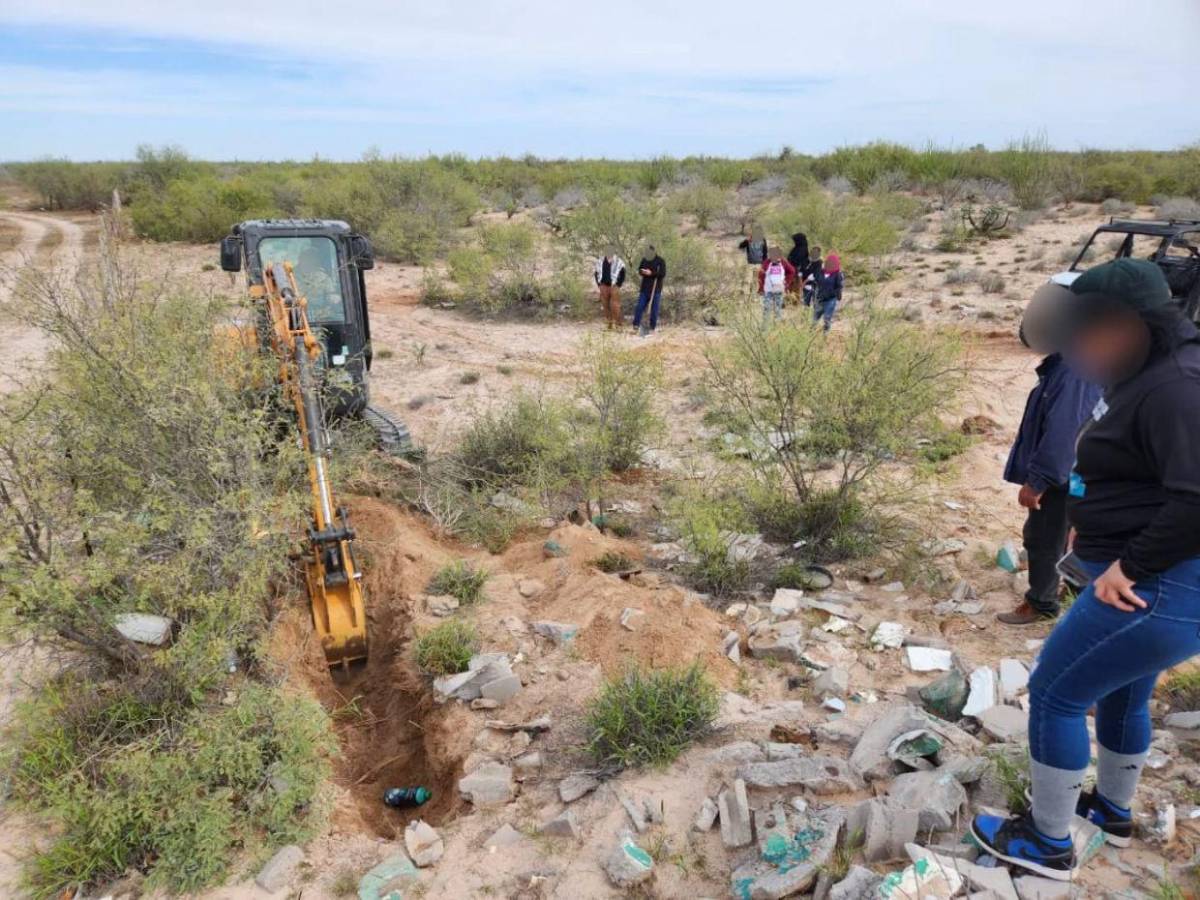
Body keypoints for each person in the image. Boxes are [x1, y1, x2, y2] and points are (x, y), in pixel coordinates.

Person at [971, 259, 1200, 882]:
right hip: (1161, 590)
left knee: (1055, 694)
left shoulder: (1177, 385)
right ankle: (1113, 811)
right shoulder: (1153, 372)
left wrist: (1128, 563)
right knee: (1126, 692)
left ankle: (1047, 842)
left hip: (1156, 588)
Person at [998, 351, 1101, 625]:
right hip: (1081, 471)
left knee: (1044, 537)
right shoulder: (1083, 363)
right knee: (1071, 533)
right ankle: (1077, 590)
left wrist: (1037, 482)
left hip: (1064, 475)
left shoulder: (1073, 369)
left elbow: (1063, 434)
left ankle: (1042, 603)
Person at [294, 245, 343, 322]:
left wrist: (335, 298)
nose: (310, 261)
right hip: (294, 314)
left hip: (318, 316)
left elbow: (330, 294)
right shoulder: (289, 276)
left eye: (313, 258)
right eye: (307, 257)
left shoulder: (323, 277)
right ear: (300, 259)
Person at [632, 245, 667, 337]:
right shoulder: (644, 260)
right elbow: (639, 270)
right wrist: (642, 271)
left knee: (654, 310)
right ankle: (636, 325)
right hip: (644, 288)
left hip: (656, 289)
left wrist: (652, 273)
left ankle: (652, 327)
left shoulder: (660, 261)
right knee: (639, 306)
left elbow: (662, 274)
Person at [757, 250, 795, 324]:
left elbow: (792, 271)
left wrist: (786, 283)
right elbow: (761, 275)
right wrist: (761, 288)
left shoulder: (783, 262)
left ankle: (776, 327)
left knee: (777, 308)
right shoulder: (767, 262)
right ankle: (765, 326)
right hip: (768, 290)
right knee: (767, 308)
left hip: (779, 289)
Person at [593, 250, 626, 329]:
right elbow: (596, 273)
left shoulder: (618, 261)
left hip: (614, 285)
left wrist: (618, 285)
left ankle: (619, 325)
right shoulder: (600, 261)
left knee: (615, 306)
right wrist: (599, 285)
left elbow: (623, 273)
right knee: (605, 305)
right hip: (604, 285)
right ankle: (609, 324)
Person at [811, 252, 843, 331]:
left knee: (827, 318)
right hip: (820, 298)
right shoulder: (821, 272)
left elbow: (839, 286)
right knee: (815, 318)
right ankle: (810, 334)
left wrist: (837, 296)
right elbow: (816, 282)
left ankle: (825, 336)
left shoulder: (837, 274)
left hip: (830, 299)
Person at [786, 232, 810, 300]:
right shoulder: (797, 248)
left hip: (798, 272)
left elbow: (797, 261)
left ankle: (794, 301)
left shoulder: (802, 249)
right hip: (793, 270)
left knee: (796, 287)